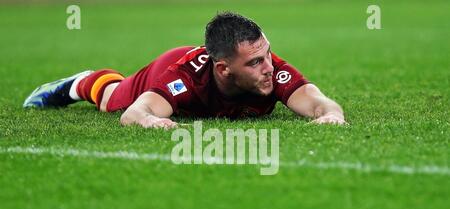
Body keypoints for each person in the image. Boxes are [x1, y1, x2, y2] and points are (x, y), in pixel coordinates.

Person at [23, 12, 346, 129]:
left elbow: (318, 101)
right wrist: (150, 120)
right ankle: (80, 82)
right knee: (111, 100)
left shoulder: (272, 69)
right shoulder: (183, 77)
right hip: (164, 67)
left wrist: (331, 115)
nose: (268, 67)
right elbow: (134, 114)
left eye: (268, 54)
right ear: (223, 69)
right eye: (255, 62)